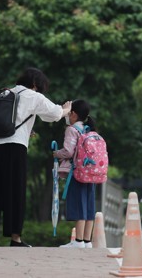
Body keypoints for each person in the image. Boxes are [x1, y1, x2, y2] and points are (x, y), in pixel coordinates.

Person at [0, 67, 72, 247]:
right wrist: (66, 109)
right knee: (14, 191)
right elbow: (54, 114)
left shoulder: (4, 92)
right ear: (35, 83)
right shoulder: (33, 95)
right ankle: (15, 238)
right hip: (14, 146)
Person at [53, 99, 96, 248]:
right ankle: (87, 241)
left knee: (78, 205)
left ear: (73, 114)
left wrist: (55, 154)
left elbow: (68, 151)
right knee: (89, 205)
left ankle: (77, 241)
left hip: (77, 173)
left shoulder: (72, 130)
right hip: (91, 173)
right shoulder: (88, 129)